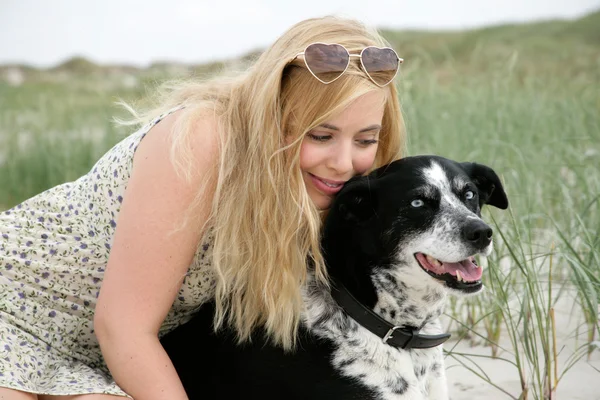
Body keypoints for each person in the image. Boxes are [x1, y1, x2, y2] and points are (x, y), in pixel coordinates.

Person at [0, 15, 405, 400]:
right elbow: (123, 327)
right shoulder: (203, 140)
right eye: (320, 135)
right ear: (272, 113)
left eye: (366, 140)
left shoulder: (314, 192)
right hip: (13, 311)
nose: (343, 162)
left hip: (87, 358)